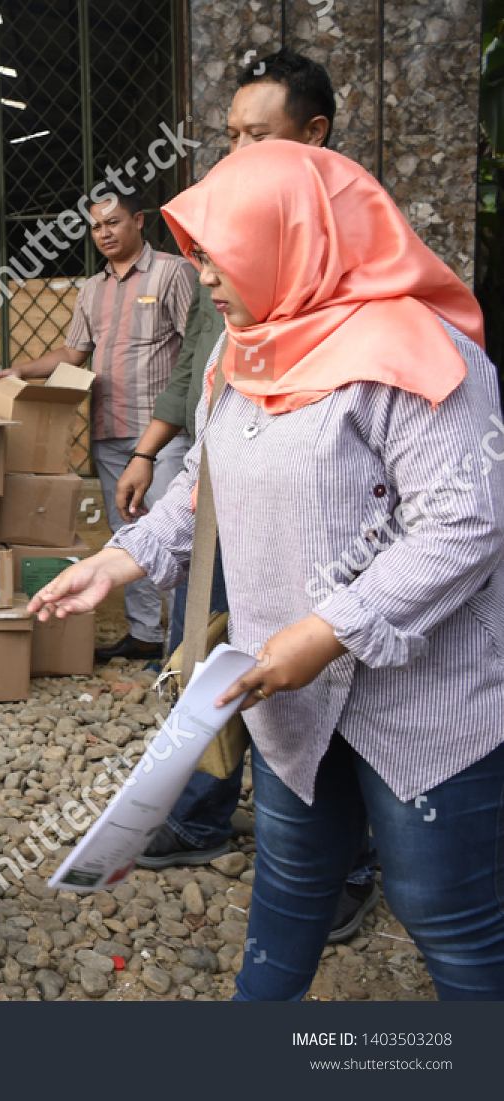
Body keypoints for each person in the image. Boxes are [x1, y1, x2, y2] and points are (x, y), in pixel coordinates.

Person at [31, 140, 504, 1001]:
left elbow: (464, 522)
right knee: (288, 889)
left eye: (225, 250)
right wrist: (117, 559)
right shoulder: (239, 355)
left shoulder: (420, 354)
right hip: (280, 688)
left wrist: (328, 631)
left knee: (447, 914)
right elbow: (203, 492)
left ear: (295, 241)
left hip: (424, 703)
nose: (207, 273)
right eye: (201, 252)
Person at [126, 49, 377, 946]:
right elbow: (203, 359)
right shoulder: (227, 233)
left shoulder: (362, 270)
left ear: (313, 140)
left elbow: (455, 516)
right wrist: (160, 469)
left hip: (328, 531)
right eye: (227, 136)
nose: (234, 153)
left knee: (333, 672)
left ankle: (349, 859)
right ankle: (207, 813)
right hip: (230, 484)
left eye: (255, 137)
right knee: (221, 657)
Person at [0, 184, 196, 662]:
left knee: (172, 533)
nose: (104, 234)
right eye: (96, 226)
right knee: (127, 535)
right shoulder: (92, 289)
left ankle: (183, 646)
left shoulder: (173, 273)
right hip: (110, 429)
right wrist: (20, 369)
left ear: (138, 221)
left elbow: (196, 351)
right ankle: (145, 635)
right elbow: (74, 353)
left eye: (113, 222)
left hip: (162, 434)